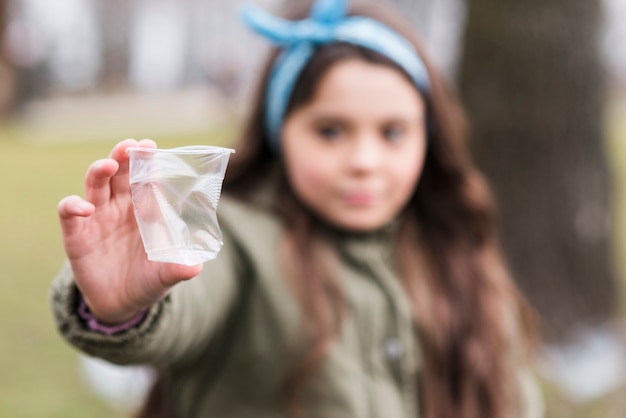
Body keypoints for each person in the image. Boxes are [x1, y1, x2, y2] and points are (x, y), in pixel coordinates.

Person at [50, 0, 543, 417]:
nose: (364, 162)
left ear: (429, 138)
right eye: (330, 130)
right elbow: (189, 301)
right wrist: (124, 309)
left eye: (393, 132)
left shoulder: (456, 250)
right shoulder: (236, 240)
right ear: (279, 132)